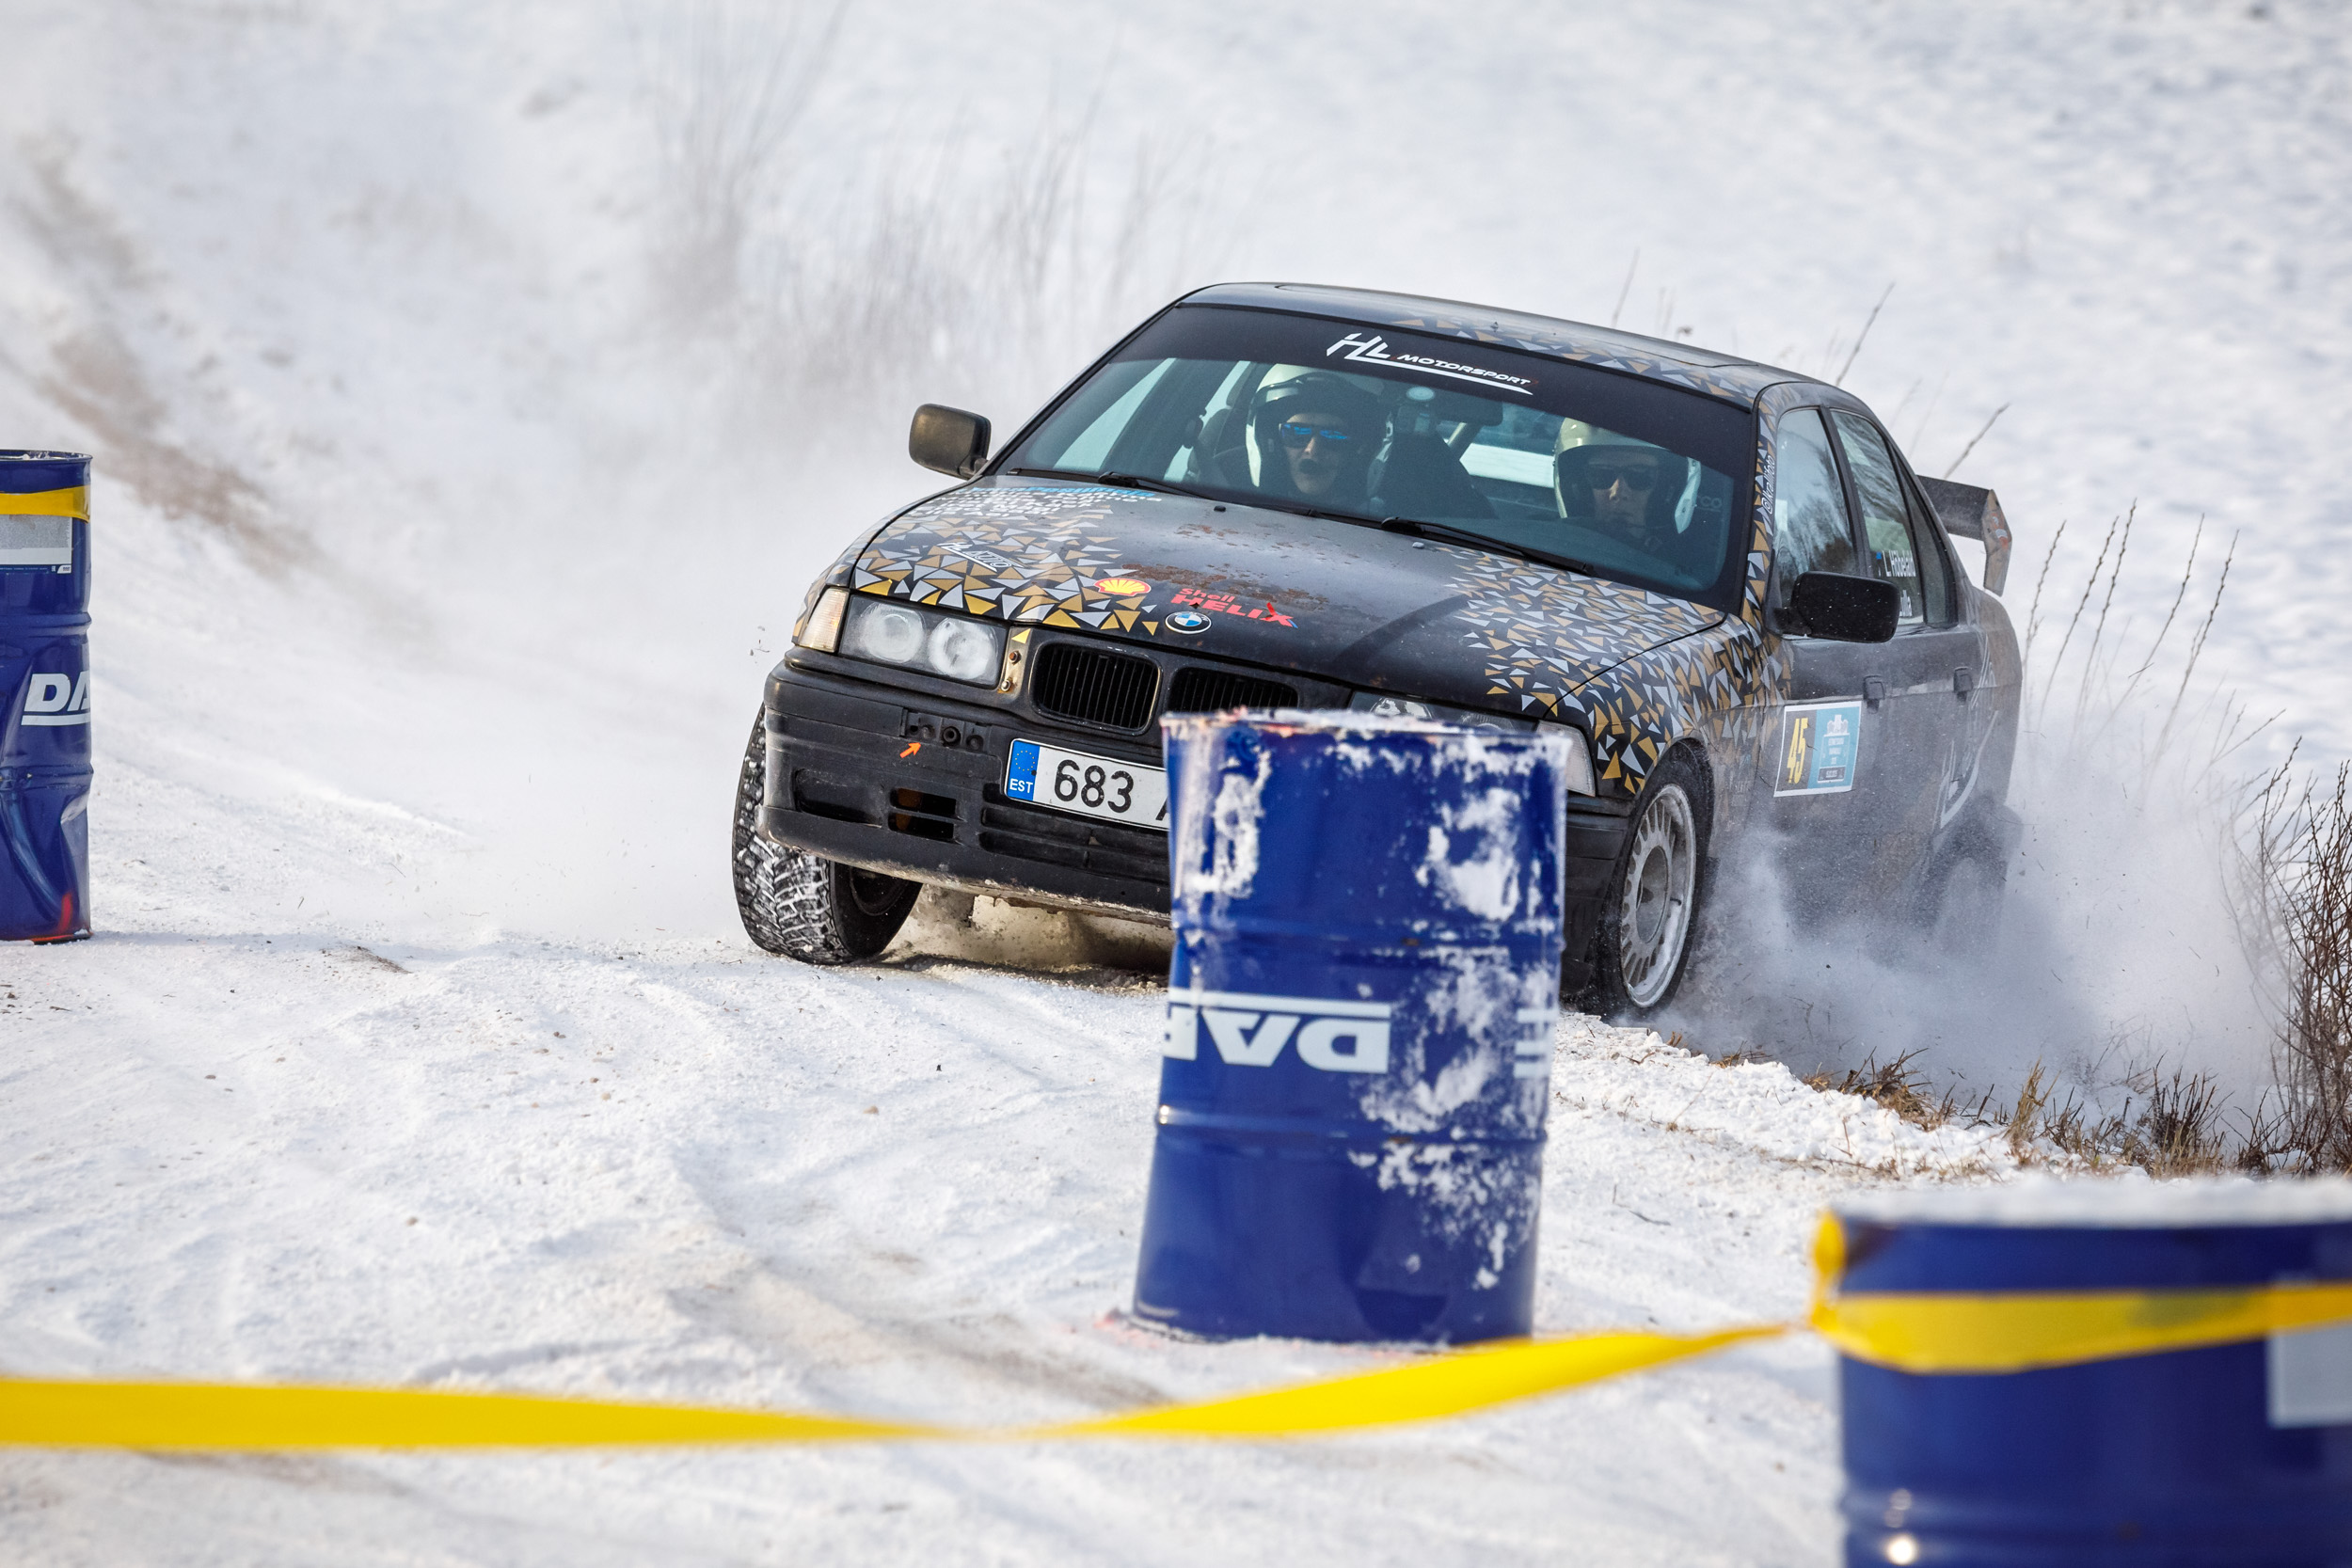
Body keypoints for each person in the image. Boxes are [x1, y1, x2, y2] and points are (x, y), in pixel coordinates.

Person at [1248, 372, 1382, 506]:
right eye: (1297, 433)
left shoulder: (1381, 514)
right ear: (1272, 444)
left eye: (1333, 436)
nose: (1313, 450)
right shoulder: (1239, 502)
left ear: (1356, 450)